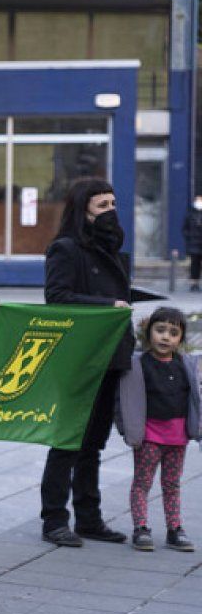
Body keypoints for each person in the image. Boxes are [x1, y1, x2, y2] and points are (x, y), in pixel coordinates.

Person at [41, 177, 134, 547]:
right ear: (83, 212)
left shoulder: (112, 248)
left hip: (110, 354)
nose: (111, 212)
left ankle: (89, 518)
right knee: (68, 440)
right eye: (102, 206)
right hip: (79, 357)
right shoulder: (65, 248)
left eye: (113, 204)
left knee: (94, 442)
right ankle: (54, 519)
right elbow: (58, 296)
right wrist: (107, 306)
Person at [116, 307, 199, 551]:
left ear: (180, 339)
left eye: (173, 333)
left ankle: (175, 529)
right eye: (160, 330)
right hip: (149, 437)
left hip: (177, 438)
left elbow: (195, 398)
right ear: (149, 332)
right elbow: (124, 400)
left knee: (172, 485)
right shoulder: (138, 364)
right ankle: (140, 527)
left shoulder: (186, 365)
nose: (165, 337)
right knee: (142, 484)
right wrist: (127, 430)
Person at [184, 196, 202, 292]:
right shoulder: (190, 215)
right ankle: (194, 284)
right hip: (194, 244)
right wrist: (190, 237)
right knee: (195, 265)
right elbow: (185, 229)